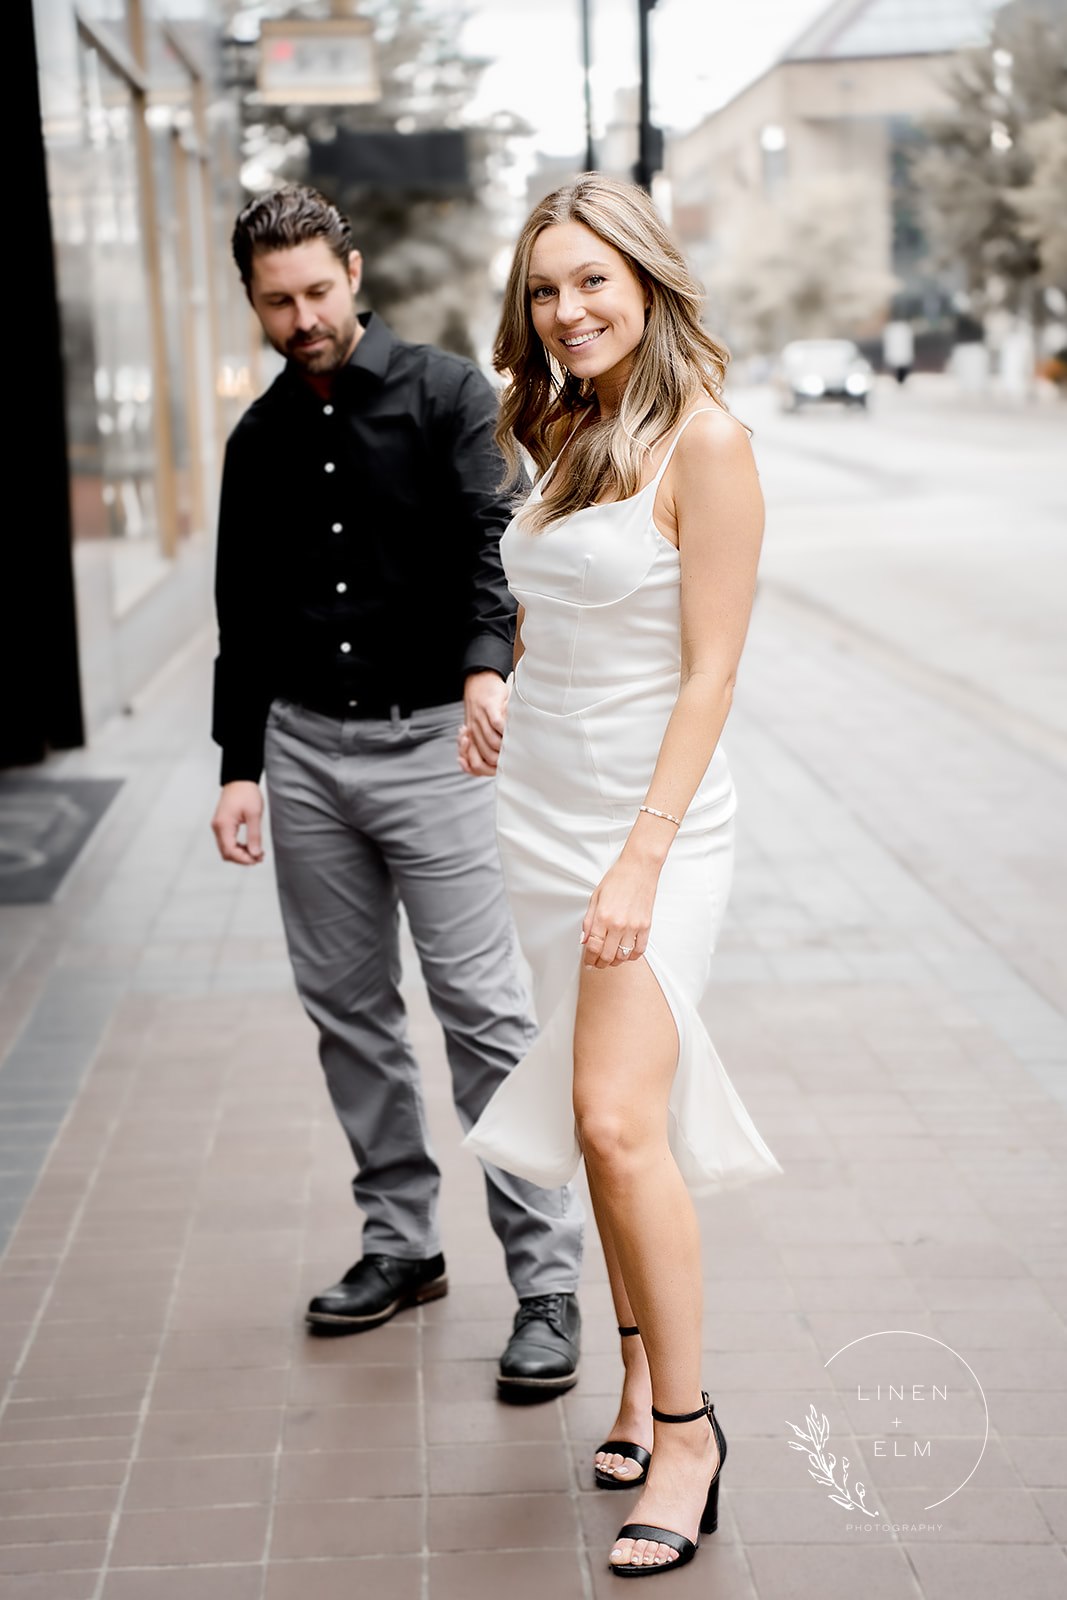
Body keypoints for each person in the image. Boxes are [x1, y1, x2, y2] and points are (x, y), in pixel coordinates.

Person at [210, 185, 583, 1399]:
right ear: (254, 303)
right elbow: (243, 618)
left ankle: (544, 1282)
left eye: (318, 291)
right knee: (349, 1011)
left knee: (481, 1013)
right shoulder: (256, 442)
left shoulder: (442, 394)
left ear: (352, 275)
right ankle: (400, 1245)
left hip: (437, 744)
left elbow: (492, 542)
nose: (302, 316)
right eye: (278, 301)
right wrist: (238, 769)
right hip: (307, 752)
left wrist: (488, 668)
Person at [459, 175, 782, 1576]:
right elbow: (570, 606)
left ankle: (694, 1430)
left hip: (653, 824)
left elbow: (709, 669)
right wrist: (504, 682)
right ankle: (634, 1377)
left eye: (589, 280)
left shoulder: (705, 444)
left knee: (610, 1117)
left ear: (644, 280)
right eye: (543, 288)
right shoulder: (562, 426)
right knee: (601, 1121)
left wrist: (641, 858)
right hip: (539, 808)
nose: (567, 310)